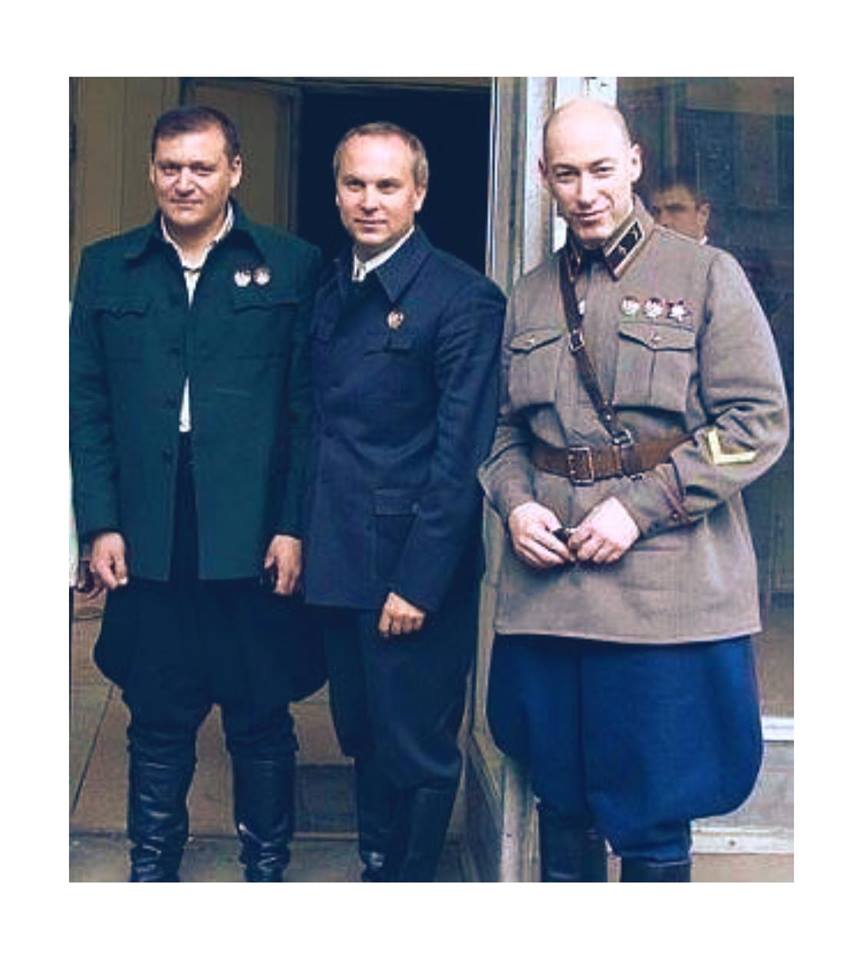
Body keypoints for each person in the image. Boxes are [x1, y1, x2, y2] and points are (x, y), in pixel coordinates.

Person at [478, 98, 789, 882]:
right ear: (545, 177)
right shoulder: (529, 294)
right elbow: (504, 433)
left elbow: (756, 422)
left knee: (651, 823)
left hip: (660, 599)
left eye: (601, 171)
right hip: (550, 598)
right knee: (562, 807)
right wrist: (515, 504)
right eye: (567, 175)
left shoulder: (705, 275)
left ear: (634, 165)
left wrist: (639, 507)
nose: (586, 193)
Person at [69, 105, 323, 882]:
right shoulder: (107, 266)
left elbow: (307, 412)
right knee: (156, 706)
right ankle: (152, 870)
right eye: (170, 167)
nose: (185, 182)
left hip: (252, 526)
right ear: (152, 171)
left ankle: (265, 869)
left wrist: (292, 526)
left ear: (234, 172)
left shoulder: (291, 266)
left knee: (259, 708)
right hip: (151, 524)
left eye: (202, 167)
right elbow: (87, 406)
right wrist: (100, 523)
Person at [302, 122, 505, 882]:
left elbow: (459, 460)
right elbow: (318, 426)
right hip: (339, 555)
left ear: (418, 193)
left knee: (416, 745)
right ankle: (377, 870)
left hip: (410, 570)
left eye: (387, 186)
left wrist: (419, 583)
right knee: (361, 734)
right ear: (336, 193)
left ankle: (408, 889)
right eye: (354, 184)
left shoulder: (461, 298)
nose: (369, 201)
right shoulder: (334, 285)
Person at [649, 177, 711, 243]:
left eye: (674, 210)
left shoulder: (716, 249)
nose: (662, 222)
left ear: (703, 214)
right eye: (656, 212)